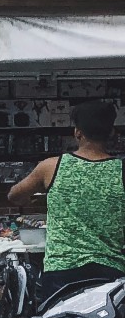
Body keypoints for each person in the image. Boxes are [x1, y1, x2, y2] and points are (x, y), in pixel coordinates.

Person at [9, 99, 125, 301]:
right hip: (109, 270)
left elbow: (14, 196)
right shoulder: (121, 171)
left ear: (77, 132)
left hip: (61, 271)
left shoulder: (51, 167)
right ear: (112, 132)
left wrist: (50, 198)